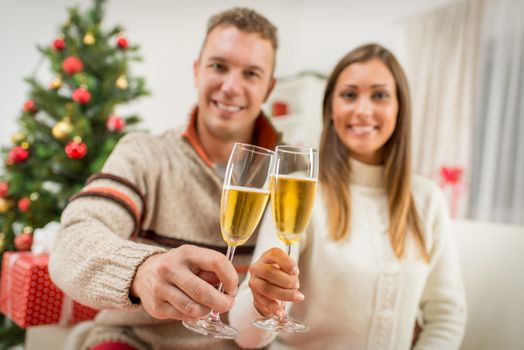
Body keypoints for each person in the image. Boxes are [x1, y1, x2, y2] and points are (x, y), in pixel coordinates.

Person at [49, 7, 280, 350]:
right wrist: (142, 271)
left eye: (251, 74)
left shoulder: (289, 176)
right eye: (218, 66)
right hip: (138, 341)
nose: (231, 87)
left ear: (269, 88)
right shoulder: (145, 155)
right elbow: (73, 239)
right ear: (197, 71)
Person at [229, 43, 467, 349]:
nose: (363, 110)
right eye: (349, 95)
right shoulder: (299, 191)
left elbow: (447, 315)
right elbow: (247, 335)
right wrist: (262, 300)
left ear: (399, 107)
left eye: (380, 95)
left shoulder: (426, 199)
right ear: (331, 108)